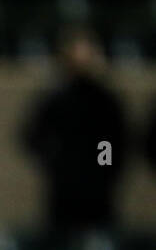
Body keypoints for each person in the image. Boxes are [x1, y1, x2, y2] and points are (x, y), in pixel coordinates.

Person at [20, 29, 129, 230]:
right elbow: (32, 137)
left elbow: (118, 141)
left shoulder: (105, 101)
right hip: (64, 190)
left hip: (98, 190)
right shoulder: (55, 98)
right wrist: (56, 161)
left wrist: (105, 167)